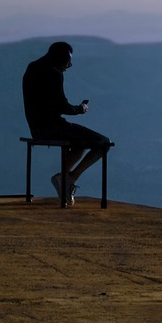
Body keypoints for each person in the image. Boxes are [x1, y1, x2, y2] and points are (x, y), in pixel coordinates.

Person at [22, 41, 111, 206]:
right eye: (67, 62)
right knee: (103, 143)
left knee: (81, 144)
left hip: (36, 129)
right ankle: (70, 177)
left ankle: (64, 178)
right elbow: (62, 106)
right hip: (54, 127)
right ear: (59, 59)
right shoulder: (54, 73)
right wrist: (80, 109)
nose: (68, 66)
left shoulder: (32, 68)